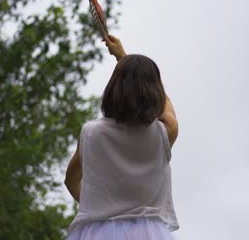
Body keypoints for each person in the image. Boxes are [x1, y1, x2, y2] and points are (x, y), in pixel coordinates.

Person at [64, 35, 179, 240]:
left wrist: (97, 207)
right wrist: (123, 58)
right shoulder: (164, 132)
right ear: (153, 92)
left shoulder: (91, 134)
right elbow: (166, 105)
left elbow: (71, 181)